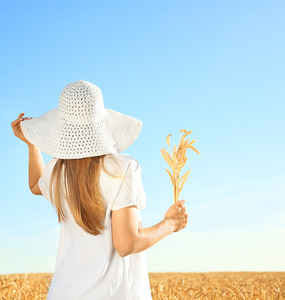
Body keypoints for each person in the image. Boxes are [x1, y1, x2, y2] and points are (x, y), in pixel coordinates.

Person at [10, 80, 188, 300]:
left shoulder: (56, 169)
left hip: (63, 293)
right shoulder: (121, 169)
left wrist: (32, 144)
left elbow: (35, 185)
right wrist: (170, 224)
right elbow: (126, 244)